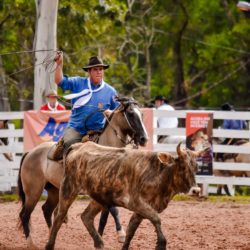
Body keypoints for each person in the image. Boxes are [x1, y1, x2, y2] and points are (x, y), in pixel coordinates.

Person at [53, 54, 119, 157]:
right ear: (89, 71)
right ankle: (68, 172)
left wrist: (111, 113)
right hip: (76, 128)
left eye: (101, 69)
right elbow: (59, 81)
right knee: (70, 146)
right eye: (95, 69)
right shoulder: (78, 82)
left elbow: (118, 113)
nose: (99, 72)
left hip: (98, 131)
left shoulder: (111, 91)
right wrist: (59, 64)